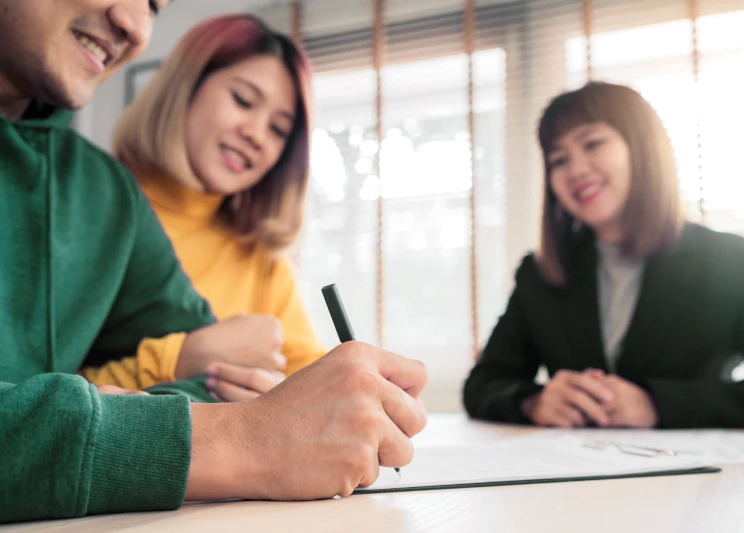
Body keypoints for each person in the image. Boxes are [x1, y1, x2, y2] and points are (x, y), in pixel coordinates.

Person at [0, 0, 427, 524]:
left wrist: (103, 421)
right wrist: (234, 429)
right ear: (184, 89)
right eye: (243, 99)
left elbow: (230, 395)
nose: (135, 24)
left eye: (155, 5)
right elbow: (240, 419)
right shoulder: (124, 193)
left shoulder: (105, 194)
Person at [463, 81, 744, 430]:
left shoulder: (727, 263)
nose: (576, 170)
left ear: (641, 148)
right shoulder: (540, 273)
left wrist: (660, 404)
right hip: (572, 472)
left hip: (693, 476)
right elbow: (482, 385)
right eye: (559, 159)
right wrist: (533, 401)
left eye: (592, 143)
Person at [79, 15, 326, 401]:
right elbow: (34, 400)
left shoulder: (263, 263)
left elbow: (315, 394)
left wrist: (282, 403)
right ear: (185, 88)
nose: (257, 135)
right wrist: (176, 361)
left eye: (278, 129)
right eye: (243, 100)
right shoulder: (86, 207)